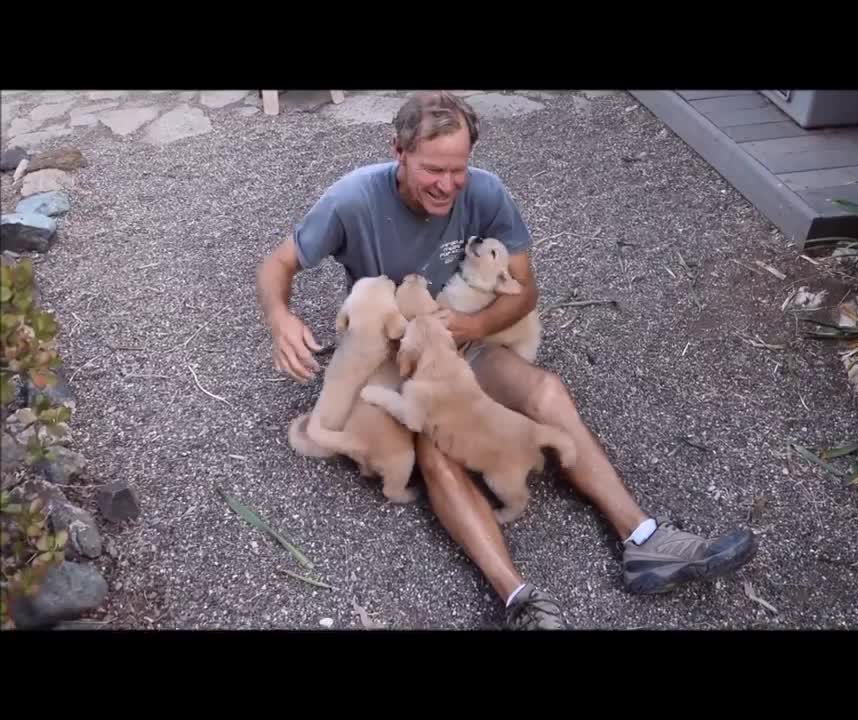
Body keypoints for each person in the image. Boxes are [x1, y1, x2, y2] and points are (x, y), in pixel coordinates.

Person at [256, 91, 758, 629]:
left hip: (463, 341)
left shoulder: (487, 193)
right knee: (436, 443)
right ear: (397, 151)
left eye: (458, 169)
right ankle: (518, 599)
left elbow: (524, 292)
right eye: (433, 170)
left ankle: (644, 540)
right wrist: (281, 318)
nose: (447, 185)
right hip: (393, 353)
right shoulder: (353, 198)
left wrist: (471, 327)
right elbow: (277, 265)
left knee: (546, 391)